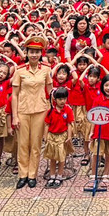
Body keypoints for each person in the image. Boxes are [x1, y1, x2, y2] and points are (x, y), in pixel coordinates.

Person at [11, 36, 51, 189]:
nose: (34, 55)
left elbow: (50, 91)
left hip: (40, 110)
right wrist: (14, 116)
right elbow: (14, 94)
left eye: (37, 52)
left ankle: (32, 174)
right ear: (26, 53)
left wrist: (52, 112)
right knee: (22, 144)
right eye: (31, 52)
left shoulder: (46, 69)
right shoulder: (20, 71)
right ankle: (23, 174)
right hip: (22, 110)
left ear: (41, 53)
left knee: (35, 144)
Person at [43, 87, 74, 188]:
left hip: (62, 136)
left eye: (64, 99)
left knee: (61, 157)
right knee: (52, 157)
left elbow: (69, 124)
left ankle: (59, 176)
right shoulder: (50, 111)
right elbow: (47, 124)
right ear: (55, 100)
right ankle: (52, 176)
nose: (62, 101)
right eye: (60, 99)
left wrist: (69, 136)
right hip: (52, 136)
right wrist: (45, 136)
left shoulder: (68, 110)